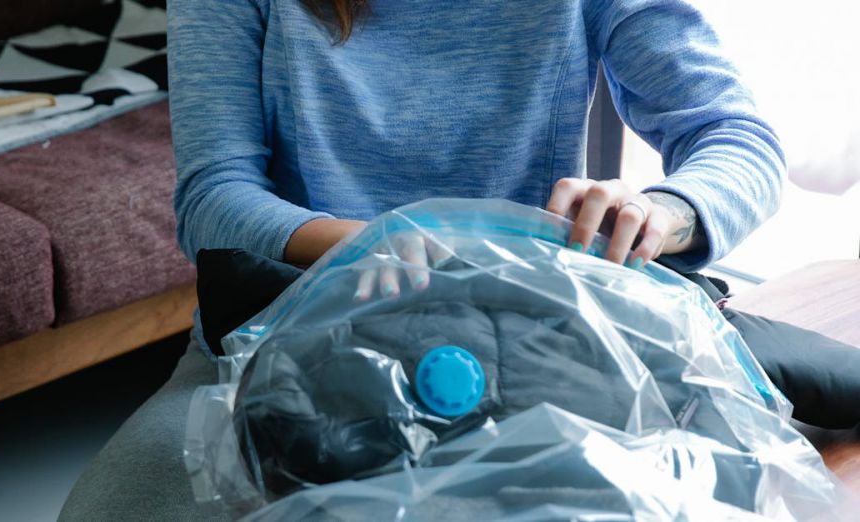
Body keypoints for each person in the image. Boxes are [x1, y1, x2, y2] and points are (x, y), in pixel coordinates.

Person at [60, 0, 784, 520]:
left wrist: (664, 212)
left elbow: (736, 138)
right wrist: (369, 242)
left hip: (531, 342)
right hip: (285, 338)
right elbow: (213, 201)